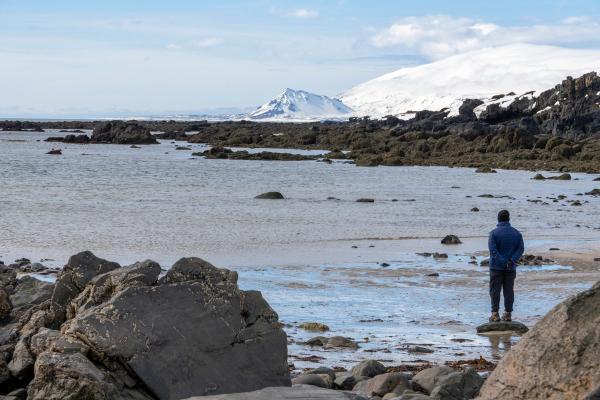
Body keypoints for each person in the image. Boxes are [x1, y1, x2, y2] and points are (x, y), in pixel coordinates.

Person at [487, 210, 524, 322]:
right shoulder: (517, 233)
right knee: (509, 291)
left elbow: (493, 251)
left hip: (496, 267)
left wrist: (503, 261)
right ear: (508, 219)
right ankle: (508, 314)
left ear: (498, 219)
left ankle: (495, 314)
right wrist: (511, 260)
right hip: (510, 267)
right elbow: (520, 249)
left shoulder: (493, 233)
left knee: (495, 290)